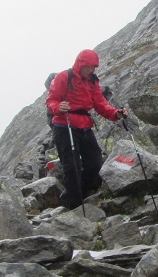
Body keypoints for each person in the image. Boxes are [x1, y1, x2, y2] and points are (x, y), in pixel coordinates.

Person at [45, 49, 127, 209]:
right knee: (71, 165)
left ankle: (75, 193)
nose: (91, 70)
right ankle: (74, 205)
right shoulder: (64, 77)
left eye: (93, 67)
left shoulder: (92, 81)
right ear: (80, 64)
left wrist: (116, 114)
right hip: (64, 125)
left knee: (95, 161)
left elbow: (100, 104)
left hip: (84, 125)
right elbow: (51, 100)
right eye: (89, 66)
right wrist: (58, 107)